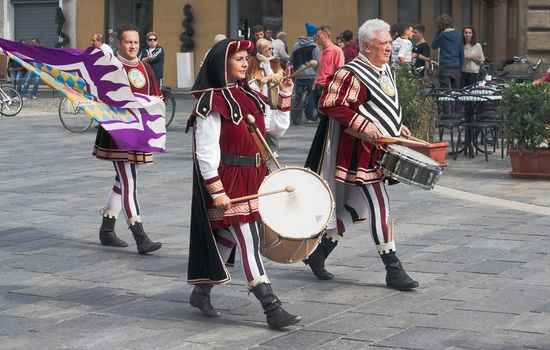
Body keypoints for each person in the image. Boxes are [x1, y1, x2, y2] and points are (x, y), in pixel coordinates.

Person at [186, 38, 301, 329]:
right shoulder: (212, 101)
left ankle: (201, 293)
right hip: (230, 180)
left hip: (254, 178)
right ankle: (271, 306)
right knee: (248, 240)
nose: (245, 63)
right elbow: (206, 150)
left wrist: (285, 95)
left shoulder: (249, 94)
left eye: (245, 58)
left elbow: (275, 128)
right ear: (222, 63)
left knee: (227, 238)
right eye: (238, 58)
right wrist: (216, 190)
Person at [303, 18, 419, 292]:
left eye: (390, 42)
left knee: (358, 208)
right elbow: (329, 104)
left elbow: (383, 105)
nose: (390, 48)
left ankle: (318, 253)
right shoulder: (351, 73)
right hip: (362, 152)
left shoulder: (385, 69)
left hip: (383, 148)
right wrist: (362, 125)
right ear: (367, 46)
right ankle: (393, 267)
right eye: (384, 44)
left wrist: (395, 125)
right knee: (381, 204)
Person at [94, 24, 162, 255]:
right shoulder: (112, 66)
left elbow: (156, 95)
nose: (133, 46)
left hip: (137, 131)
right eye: (128, 42)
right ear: (119, 44)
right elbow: (103, 95)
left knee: (121, 180)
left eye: (135, 42)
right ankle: (140, 237)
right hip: (118, 134)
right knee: (129, 182)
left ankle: (106, 230)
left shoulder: (144, 66)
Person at [247, 38, 284, 156]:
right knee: (261, 121)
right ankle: (260, 148)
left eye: (272, 48)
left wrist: (268, 78)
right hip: (259, 96)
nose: (272, 51)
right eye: (269, 49)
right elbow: (251, 77)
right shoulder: (253, 61)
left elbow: (280, 75)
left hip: (272, 95)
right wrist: (257, 81)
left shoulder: (275, 61)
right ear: (262, 50)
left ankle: (273, 149)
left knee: (273, 122)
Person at [290, 22, 320, 123]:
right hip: (311, 75)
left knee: (297, 94)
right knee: (311, 95)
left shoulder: (296, 45)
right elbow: (317, 61)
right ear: (314, 35)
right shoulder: (315, 46)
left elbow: (291, 59)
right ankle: (309, 117)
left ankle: (296, 109)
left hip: (298, 74)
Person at [313, 25, 344, 120]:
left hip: (328, 87)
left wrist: (334, 88)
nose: (316, 38)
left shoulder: (337, 51)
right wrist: (314, 84)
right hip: (318, 86)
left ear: (326, 36)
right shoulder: (322, 50)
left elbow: (340, 70)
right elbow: (320, 69)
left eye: (318, 35)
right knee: (321, 117)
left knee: (327, 118)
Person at [432, 15, 463, 89]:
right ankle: (455, 101)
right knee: (456, 91)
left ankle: (446, 101)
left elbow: (433, 45)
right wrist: (461, 68)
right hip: (456, 65)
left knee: (445, 91)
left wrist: (438, 32)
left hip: (445, 66)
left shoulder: (442, 35)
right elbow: (461, 52)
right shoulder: (458, 35)